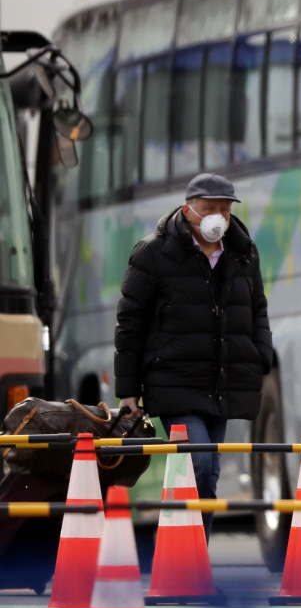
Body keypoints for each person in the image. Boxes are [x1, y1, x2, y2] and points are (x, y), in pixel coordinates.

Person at [115, 173, 273, 540]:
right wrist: (128, 391)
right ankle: (182, 549)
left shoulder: (243, 251)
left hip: (222, 380)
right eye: (209, 209)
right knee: (198, 462)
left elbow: (258, 309)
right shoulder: (153, 253)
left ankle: (190, 557)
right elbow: (130, 324)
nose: (218, 217)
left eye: (224, 209)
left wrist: (260, 355)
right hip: (174, 382)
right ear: (188, 211)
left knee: (209, 471)